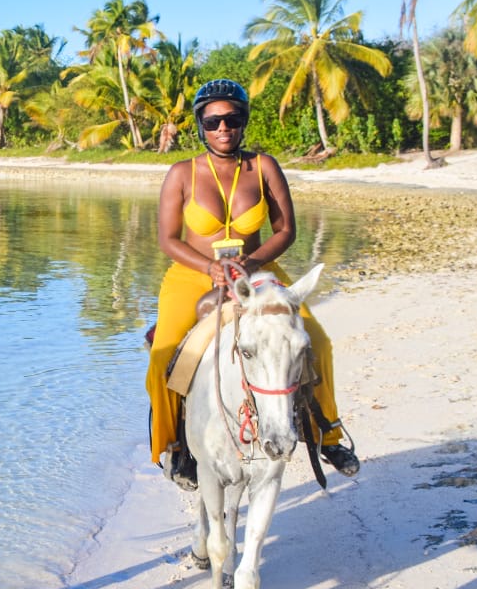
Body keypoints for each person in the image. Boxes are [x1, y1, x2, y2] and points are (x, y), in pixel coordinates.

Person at [144, 78, 359, 490]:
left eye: (232, 118)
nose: (223, 128)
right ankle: (173, 448)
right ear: (200, 125)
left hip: (259, 271)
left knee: (317, 340)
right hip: (192, 273)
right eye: (213, 121)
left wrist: (252, 262)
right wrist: (210, 267)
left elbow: (286, 230)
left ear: (243, 122)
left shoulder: (263, 167)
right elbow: (167, 239)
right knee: (164, 355)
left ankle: (328, 435)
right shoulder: (181, 174)